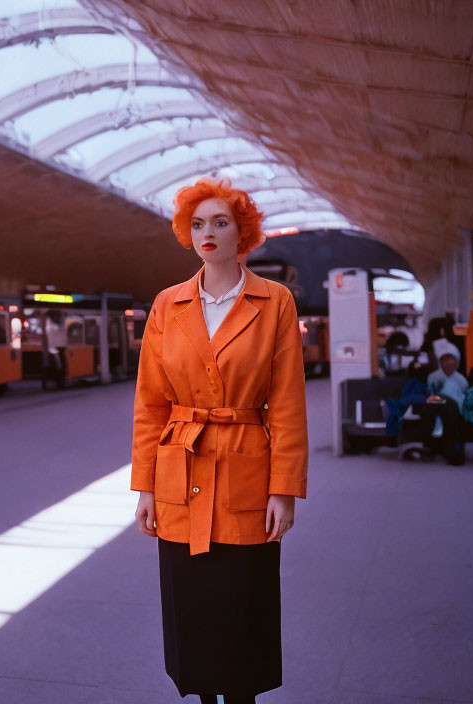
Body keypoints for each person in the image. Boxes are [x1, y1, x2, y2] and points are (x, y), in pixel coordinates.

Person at [131, 177, 308, 703]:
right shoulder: (167, 305)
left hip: (246, 476)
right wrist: (145, 487)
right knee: (193, 610)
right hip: (179, 475)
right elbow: (149, 404)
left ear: (243, 233)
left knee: (242, 609)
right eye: (198, 223)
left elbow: (289, 403)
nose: (207, 232)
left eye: (221, 222)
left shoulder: (274, 302)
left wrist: (284, 490)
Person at [420, 339, 469, 464]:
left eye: (450, 359)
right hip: (436, 407)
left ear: (456, 361)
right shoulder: (433, 377)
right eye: (444, 359)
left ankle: (452, 451)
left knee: (452, 413)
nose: (447, 363)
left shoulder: (461, 380)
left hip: (454, 411)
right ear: (440, 362)